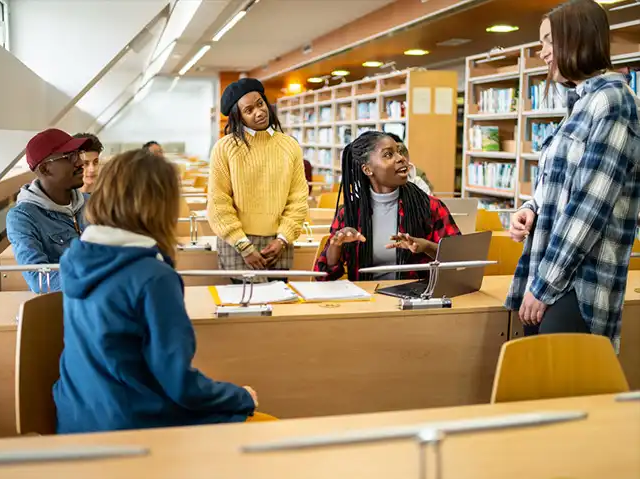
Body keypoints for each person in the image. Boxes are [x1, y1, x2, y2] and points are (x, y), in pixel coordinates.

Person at [53, 150, 267, 434]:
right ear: (159, 205)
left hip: (77, 417)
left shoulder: (76, 259)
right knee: (263, 426)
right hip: (132, 424)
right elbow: (179, 383)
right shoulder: (153, 278)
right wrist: (239, 396)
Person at [506, 0, 640, 347]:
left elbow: (589, 207)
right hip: (553, 275)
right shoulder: (580, 105)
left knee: (564, 395)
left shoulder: (612, 102)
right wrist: (530, 209)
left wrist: (544, 285)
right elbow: (560, 187)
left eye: (549, 40)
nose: (542, 52)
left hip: (577, 285)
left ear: (577, 38)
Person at [314, 131, 460, 281]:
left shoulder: (429, 206)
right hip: (367, 300)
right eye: (388, 155)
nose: (401, 158)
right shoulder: (350, 214)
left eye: (398, 151)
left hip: (415, 298)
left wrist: (427, 247)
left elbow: (460, 259)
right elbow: (323, 277)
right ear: (367, 169)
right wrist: (336, 246)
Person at [208, 78, 309, 282]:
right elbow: (218, 203)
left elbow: (298, 198)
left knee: (279, 308)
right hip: (237, 243)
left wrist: (283, 238)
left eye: (260, 104)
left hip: (279, 242)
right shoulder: (225, 147)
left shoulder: (290, 146)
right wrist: (244, 246)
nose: (259, 112)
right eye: (249, 110)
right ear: (239, 117)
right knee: (247, 309)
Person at [6, 128, 91, 292]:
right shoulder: (22, 217)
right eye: (70, 157)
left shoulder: (93, 203)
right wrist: (101, 281)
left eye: (79, 154)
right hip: (62, 310)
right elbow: (40, 280)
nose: (80, 163)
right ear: (45, 169)